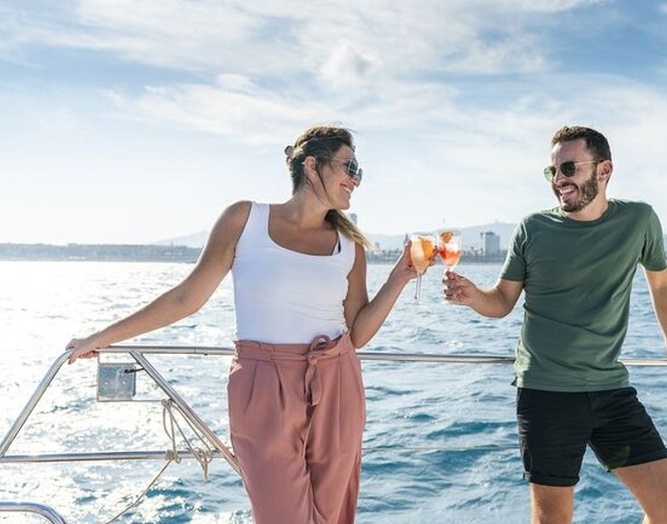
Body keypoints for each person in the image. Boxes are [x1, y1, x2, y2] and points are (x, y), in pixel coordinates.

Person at [66, 124, 426, 524]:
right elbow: (187, 298)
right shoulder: (245, 219)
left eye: (358, 170)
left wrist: (400, 276)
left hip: (338, 380)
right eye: (349, 166)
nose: (355, 179)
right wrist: (101, 336)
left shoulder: (350, 246)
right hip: (263, 385)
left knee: (333, 516)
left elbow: (356, 332)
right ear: (312, 166)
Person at [443, 125, 667, 524]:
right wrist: (472, 295)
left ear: (604, 170)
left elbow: (662, 282)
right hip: (547, 397)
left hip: (610, 396)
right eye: (552, 172)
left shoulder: (639, 220)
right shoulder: (533, 229)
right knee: (553, 520)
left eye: (568, 168)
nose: (559, 180)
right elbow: (502, 302)